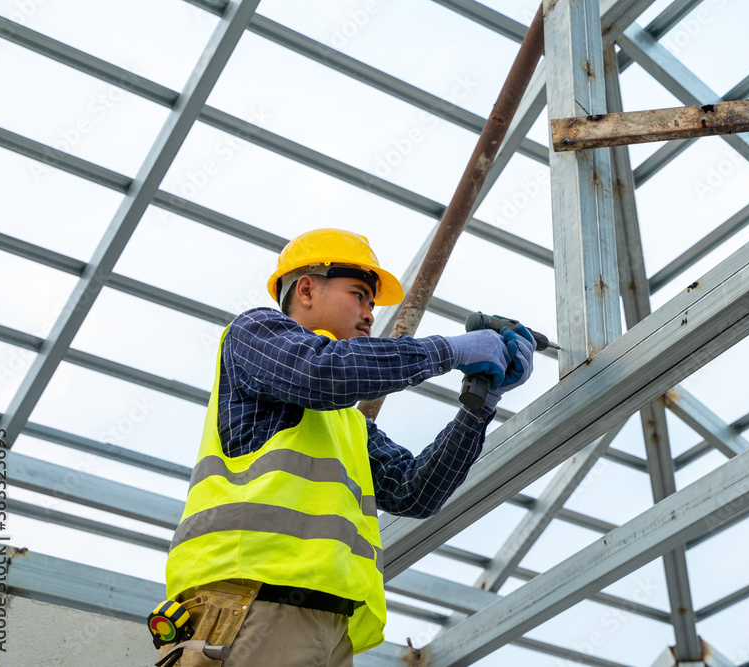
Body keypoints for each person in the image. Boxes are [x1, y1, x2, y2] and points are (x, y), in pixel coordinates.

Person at [159, 228, 535, 666]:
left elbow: (416, 492)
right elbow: (323, 373)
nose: (370, 313)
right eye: (359, 294)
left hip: (329, 626)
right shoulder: (254, 333)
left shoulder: (346, 423)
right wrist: (450, 350)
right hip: (249, 603)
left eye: (372, 303)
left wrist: (480, 400)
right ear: (305, 289)